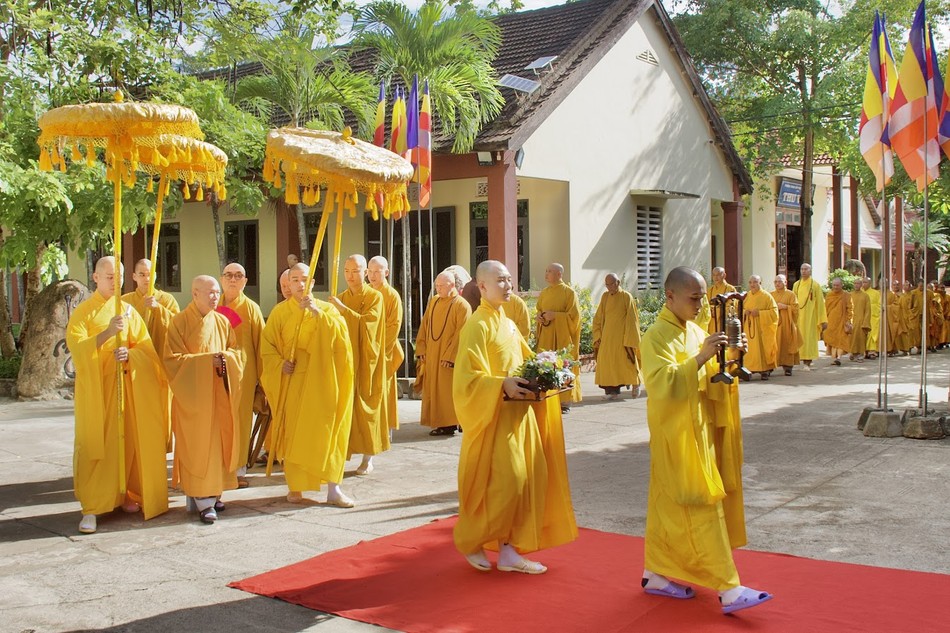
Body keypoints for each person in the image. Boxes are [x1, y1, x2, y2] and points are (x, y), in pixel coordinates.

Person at [640, 266, 772, 615]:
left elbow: (712, 378)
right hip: (676, 435)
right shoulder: (655, 336)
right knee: (700, 503)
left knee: (667, 505)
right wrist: (701, 356)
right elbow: (661, 384)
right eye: (694, 298)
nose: (700, 304)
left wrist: (729, 357)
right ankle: (729, 588)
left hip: (698, 429)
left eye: (702, 298)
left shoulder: (695, 330)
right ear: (670, 296)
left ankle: (655, 572)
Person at [453, 260, 577, 574]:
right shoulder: (476, 325)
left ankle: (508, 551)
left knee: (525, 482)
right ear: (482, 287)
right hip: (492, 420)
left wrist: (555, 372)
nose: (508, 286)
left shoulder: (506, 323)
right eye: (500, 281)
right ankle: (473, 541)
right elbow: (467, 380)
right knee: (503, 484)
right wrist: (500, 385)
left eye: (509, 280)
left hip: (518, 418)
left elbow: (527, 361)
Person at [67, 256, 169, 534]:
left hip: (126, 389)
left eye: (119, 276)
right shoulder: (84, 312)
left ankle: (125, 494)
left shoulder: (129, 312)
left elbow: (146, 350)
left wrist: (131, 355)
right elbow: (76, 350)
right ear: (95, 278)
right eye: (109, 276)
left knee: (127, 444)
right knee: (95, 446)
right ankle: (91, 507)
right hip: (97, 393)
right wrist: (107, 334)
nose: (115, 281)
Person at [261, 263, 356, 507]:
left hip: (323, 380)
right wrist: (280, 364)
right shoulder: (280, 312)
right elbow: (267, 348)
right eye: (294, 279)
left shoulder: (327, 309)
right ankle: (296, 487)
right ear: (288, 284)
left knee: (329, 431)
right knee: (294, 434)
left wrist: (318, 314)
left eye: (305, 279)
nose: (300, 284)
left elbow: (342, 343)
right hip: (294, 381)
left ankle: (334, 489)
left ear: (313, 282)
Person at [163, 276, 245, 524]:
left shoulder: (222, 321)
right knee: (198, 448)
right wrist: (205, 362)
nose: (214, 297)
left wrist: (225, 360)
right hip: (194, 402)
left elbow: (236, 353)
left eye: (216, 293)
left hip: (218, 395)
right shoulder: (178, 323)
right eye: (209, 292)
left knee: (219, 446)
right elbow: (172, 361)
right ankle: (202, 500)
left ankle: (215, 493)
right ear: (194, 293)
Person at [330, 254, 388, 475]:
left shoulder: (375, 297)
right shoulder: (341, 297)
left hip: (367, 361)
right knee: (345, 406)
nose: (350, 276)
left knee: (366, 406)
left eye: (355, 271)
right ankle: (343, 452)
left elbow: (369, 326)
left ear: (365, 273)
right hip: (345, 360)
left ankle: (368, 457)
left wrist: (344, 310)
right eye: (346, 271)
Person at [122, 258, 179, 447]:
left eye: (149, 274)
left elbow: (178, 326)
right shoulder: (125, 301)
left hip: (160, 362)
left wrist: (158, 309)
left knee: (161, 405)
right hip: (136, 362)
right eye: (142, 274)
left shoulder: (166, 299)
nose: (146, 279)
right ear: (134, 276)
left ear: (155, 275)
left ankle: (161, 443)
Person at [220, 262, 265, 488]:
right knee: (219, 421)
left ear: (245, 281)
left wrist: (262, 380)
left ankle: (239, 469)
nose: (233, 279)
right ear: (221, 279)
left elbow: (261, 346)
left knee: (240, 421)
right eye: (229, 275)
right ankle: (218, 467)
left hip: (243, 376)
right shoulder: (212, 305)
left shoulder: (251, 308)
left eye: (238, 275)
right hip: (216, 374)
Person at [416, 271, 472, 436]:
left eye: (441, 286)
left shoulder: (462, 305)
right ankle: (441, 421)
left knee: (448, 392)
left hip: (448, 359)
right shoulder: (434, 302)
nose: (438, 289)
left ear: (452, 285)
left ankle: (450, 424)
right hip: (433, 355)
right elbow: (424, 326)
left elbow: (462, 333)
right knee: (434, 391)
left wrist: (450, 356)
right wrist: (421, 349)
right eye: (436, 286)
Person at [535, 263, 582, 414]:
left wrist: (556, 316)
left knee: (563, 365)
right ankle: (547, 396)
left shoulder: (569, 293)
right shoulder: (544, 292)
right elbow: (539, 310)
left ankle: (565, 402)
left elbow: (574, 317)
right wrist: (540, 317)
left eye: (549, 271)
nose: (546, 274)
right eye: (546, 271)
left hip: (562, 338)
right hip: (547, 336)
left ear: (559, 274)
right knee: (546, 365)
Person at [367, 256, 404, 436]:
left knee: (385, 389)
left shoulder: (392, 296)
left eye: (377, 271)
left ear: (387, 272)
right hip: (367, 350)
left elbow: (394, 326)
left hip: (384, 351)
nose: (372, 276)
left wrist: (379, 349)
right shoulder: (365, 292)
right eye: (370, 271)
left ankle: (386, 429)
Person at [591, 273, 642, 399]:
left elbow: (632, 319)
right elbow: (598, 317)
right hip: (607, 338)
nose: (608, 287)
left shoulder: (626, 297)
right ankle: (612, 392)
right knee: (607, 363)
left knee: (626, 362)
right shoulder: (605, 297)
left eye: (611, 284)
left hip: (622, 338)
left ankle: (636, 383)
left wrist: (630, 338)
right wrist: (598, 336)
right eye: (606, 285)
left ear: (618, 283)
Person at [742, 275, 778, 380]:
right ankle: (749, 368)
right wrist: (745, 312)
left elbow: (774, 313)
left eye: (755, 282)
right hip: (749, 327)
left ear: (760, 283)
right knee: (749, 348)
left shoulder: (767, 296)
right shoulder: (747, 296)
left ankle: (764, 370)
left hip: (762, 328)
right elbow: (739, 309)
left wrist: (760, 314)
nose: (752, 285)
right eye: (750, 282)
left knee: (762, 348)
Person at [792, 263, 827, 371]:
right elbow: (793, 301)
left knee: (809, 339)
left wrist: (822, 319)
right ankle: (801, 360)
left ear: (810, 271)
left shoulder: (815, 285)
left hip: (811, 317)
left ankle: (808, 361)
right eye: (802, 269)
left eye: (806, 269)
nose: (803, 271)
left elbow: (820, 303)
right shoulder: (796, 285)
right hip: (799, 317)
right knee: (799, 338)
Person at [770, 275, 802, 376]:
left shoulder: (791, 295)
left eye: (780, 281)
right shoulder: (770, 295)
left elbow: (796, 309)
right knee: (773, 345)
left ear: (785, 282)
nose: (777, 284)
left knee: (787, 344)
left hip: (787, 325)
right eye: (775, 282)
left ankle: (788, 367)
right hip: (775, 324)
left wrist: (785, 307)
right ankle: (770, 366)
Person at [823, 278, 853, 366]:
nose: (836, 287)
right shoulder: (829, 295)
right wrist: (824, 321)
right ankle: (834, 358)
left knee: (840, 340)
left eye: (837, 285)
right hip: (831, 321)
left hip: (842, 321)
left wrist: (849, 320)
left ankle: (839, 357)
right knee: (832, 340)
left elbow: (850, 308)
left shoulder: (846, 295)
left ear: (841, 285)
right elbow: (825, 309)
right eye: (834, 285)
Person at [706, 267, 736, 334]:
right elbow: (705, 306)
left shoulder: (730, 289)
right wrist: (709, 311)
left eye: (718, 275)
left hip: (723, 322)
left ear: (724, 275)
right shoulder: (709, 290)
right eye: (714, 275)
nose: (716, 277)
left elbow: (732, 307)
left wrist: (716, 311)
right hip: (711, 322)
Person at [849, 279, 871, 362]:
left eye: (858, 283)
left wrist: (866, 321)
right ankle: (853, 353)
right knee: (852, 338)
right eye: (855, 283)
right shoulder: (850, 295)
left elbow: (868, 310)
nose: (856, 285)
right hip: (852, 320)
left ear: (861, 285)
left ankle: (861, 355)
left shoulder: (865, 296)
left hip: (861, 320)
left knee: (861, 338)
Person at [902, 281, 922, 354]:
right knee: (906, 333)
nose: (906, 287)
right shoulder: (902, 296)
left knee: (915, 332)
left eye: (907, 285)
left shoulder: (913, 295)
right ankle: (907, 348)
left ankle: (918, 347)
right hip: (904, 317)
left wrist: (910, 314)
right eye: (904, 286)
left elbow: (916, 307)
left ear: (910, 287)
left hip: (912, 317)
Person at [863, 278, 881, 359]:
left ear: (870, 283)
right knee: (864, 334)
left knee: (872, 334)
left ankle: (872, 351)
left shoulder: (876, 293)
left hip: (873, 316)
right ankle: (864, 351)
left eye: (865, 282)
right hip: (863, 316)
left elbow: (879, 304)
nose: (864, 284)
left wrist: (874, 309)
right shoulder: (860, 293)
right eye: (863, 282)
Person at [887, 280, 906, 356]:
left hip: (900, 317)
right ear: (891, 286)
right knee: (892, 333)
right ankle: (893, 349)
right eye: (894, 285)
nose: (895, 286)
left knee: (901, 334)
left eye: (897, 285)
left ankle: (904, 348)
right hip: (891, 317)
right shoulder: (890, 294)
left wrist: (889, 307)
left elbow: (900, 306)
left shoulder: (902, 296)